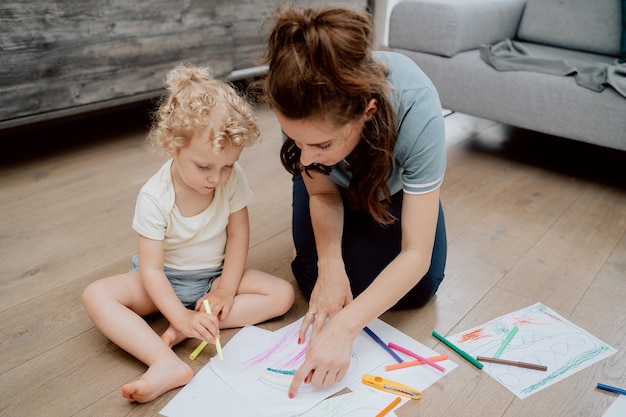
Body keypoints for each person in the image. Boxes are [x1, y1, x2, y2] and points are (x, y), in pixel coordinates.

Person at [257, 6, 447, 397]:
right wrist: (330, 265)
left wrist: (345, 328)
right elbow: (322, 191)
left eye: (322, 143)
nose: (304, 158)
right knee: (317, 281)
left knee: (419, 288)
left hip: (389, 187)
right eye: (295, 141)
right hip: (333, 189)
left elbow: (416, 253)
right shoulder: (299, 103)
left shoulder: (417, 106)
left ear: (367, 111)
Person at [82, 63, 295, 403]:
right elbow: (151, 270)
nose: (217, 178)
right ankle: (164, 361)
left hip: (212, 279)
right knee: (97, 295)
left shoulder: (231, 178)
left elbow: (239, 236)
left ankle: (195, 324)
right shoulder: (155, 196)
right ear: (171, 144)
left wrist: (225, 289)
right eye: (204, 166)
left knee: (281, 295)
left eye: (228, 165)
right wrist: (177, 313)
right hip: (161, 282)